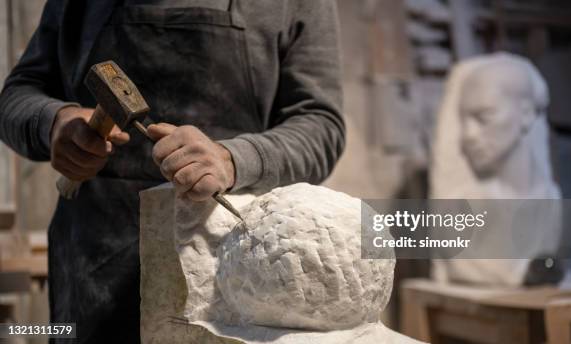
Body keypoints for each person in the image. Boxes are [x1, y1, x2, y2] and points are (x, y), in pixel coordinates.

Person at [0, 0, 345, 342]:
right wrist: (53, 121)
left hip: (230, 276)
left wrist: (232, 158)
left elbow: (321, 126)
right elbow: (16, 97)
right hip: (92, 271)